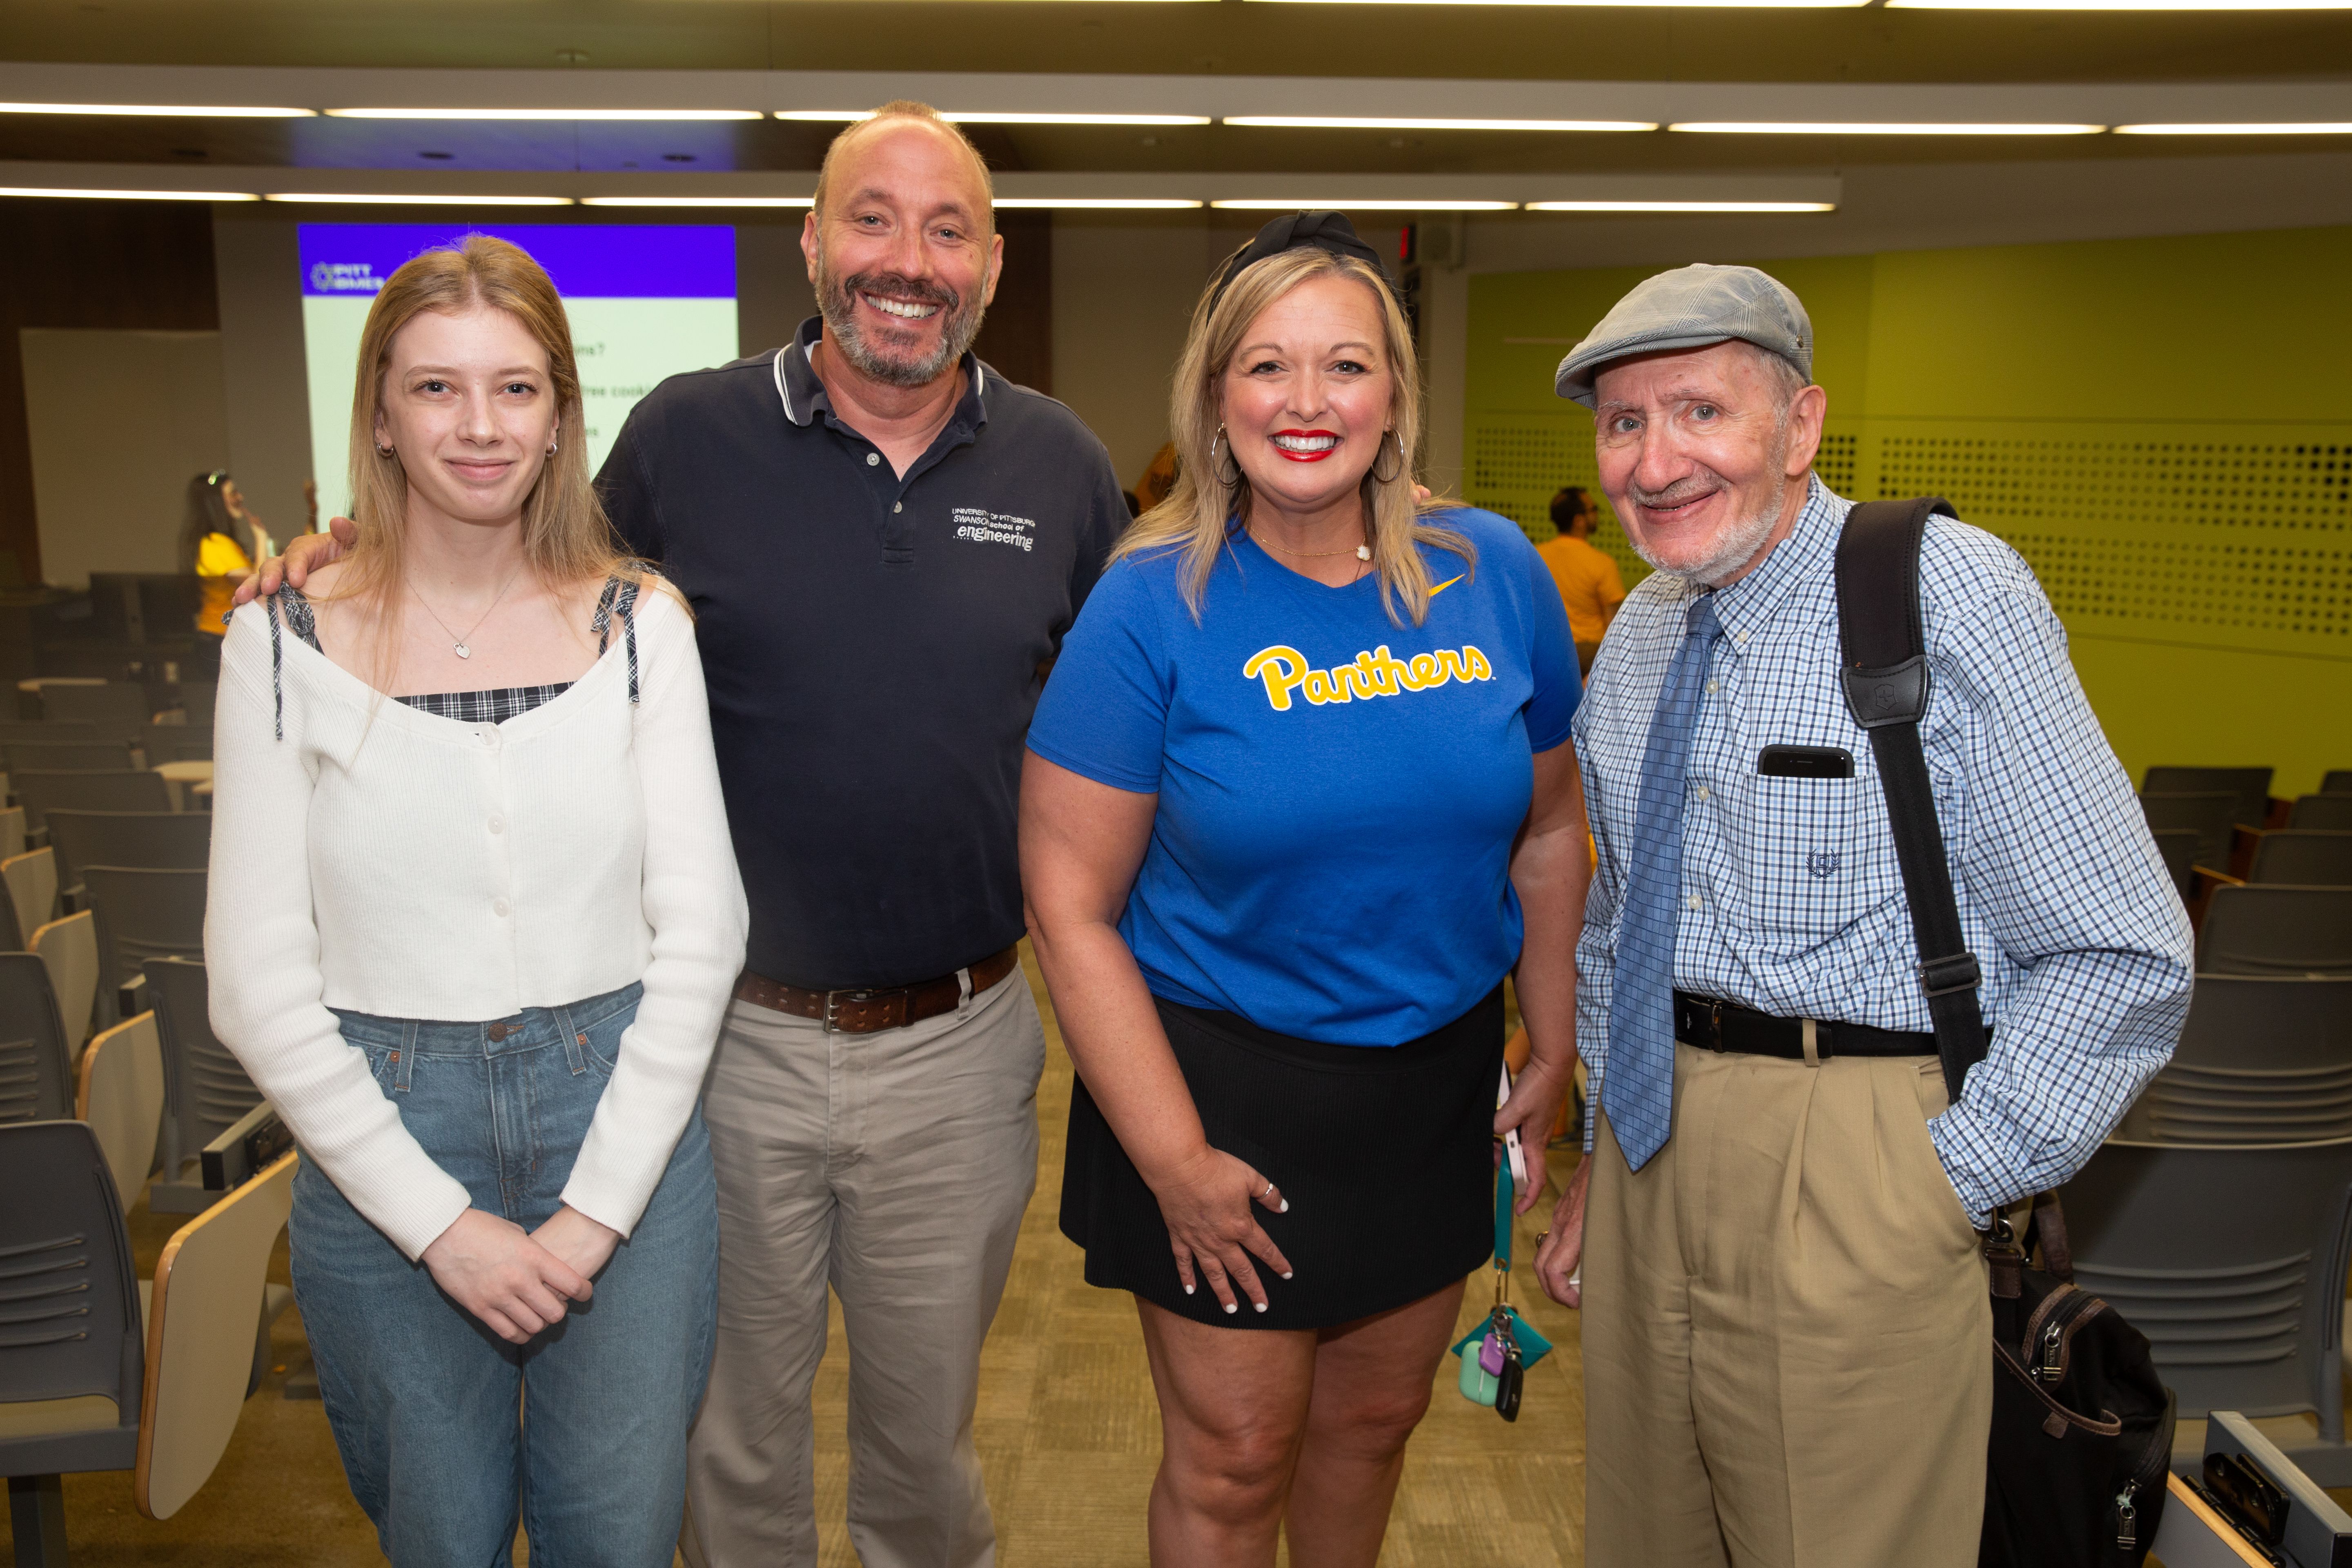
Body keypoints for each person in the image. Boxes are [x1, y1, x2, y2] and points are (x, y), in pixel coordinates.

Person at [243, 100, 1127, 1568]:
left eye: (945, 227)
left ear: (990, 259)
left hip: (962, 1045)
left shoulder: (1060, 465)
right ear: (810, 240)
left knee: (927, 1445)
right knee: (730, 1445)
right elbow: (515, 562)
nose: (904, 259)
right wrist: (347, 547)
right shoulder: (683, 437)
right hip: (720, 1043)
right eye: (870, 218)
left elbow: (1127, 702)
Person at [1528, 263, 2194, 1567]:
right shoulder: (1646, 633)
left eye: (1699, 411)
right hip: (1656, 1157)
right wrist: (1602, 1157)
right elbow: (1619, 932)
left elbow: (2126, 947)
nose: (1655, 460)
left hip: (1862, 1149)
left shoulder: (1945, 590)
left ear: (1801, 424)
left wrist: (1938, 1184)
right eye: (1622, 423)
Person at [1021, 212, 1589, 1568]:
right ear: (1217, 398)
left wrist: (1558, 1039)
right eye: (1266, 366)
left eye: (1345, 364)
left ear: (1394, 390)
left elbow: (1552, 832)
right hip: (1223, 1092)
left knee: (1376, 1426)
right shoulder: (1151, 603)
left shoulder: (1492, 571)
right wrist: (1171, 1161)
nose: (1307, 401)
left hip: (1433, 1083)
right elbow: (1068, 900)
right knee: (1234, 1460)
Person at [207, 235, 746, 1566]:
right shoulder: (282, 644)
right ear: (381, 414)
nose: (480, 425)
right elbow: (256, 981)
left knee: (616, 1541)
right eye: (437, 388)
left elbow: (703, 934)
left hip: (617, 1108)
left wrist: (597, 1208)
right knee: (437, 1538)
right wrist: (438, 1224)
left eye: (515, 389)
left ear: (562, 415)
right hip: (385, 1121)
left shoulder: (640, 629)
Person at [1534, 483, 1626, 674]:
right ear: (1579, 521)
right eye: (1593, 510)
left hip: (1546, 653)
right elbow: (1615, 627)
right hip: (1589, 658)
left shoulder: (1536, 556)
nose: (1596, 514)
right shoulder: (1602, 563)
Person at [180, 469, 272, 647]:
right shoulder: (214, 544)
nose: (241, 498)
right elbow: (257, 585)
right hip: (218, 636)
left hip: (222, 634)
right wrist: (261, 538)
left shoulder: (220, 542)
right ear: (215, 503)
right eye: (233, 494)